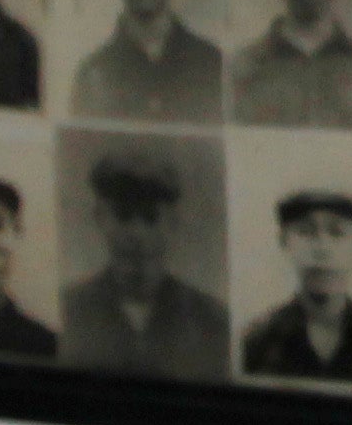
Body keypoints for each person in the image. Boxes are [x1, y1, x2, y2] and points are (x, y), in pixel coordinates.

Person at [60, 151, 230, 381]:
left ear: (171, 222)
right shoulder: (70, 310)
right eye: (123, 216)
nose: (136, 234)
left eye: (150, 218)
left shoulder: (211, 320)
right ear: (100, 217)